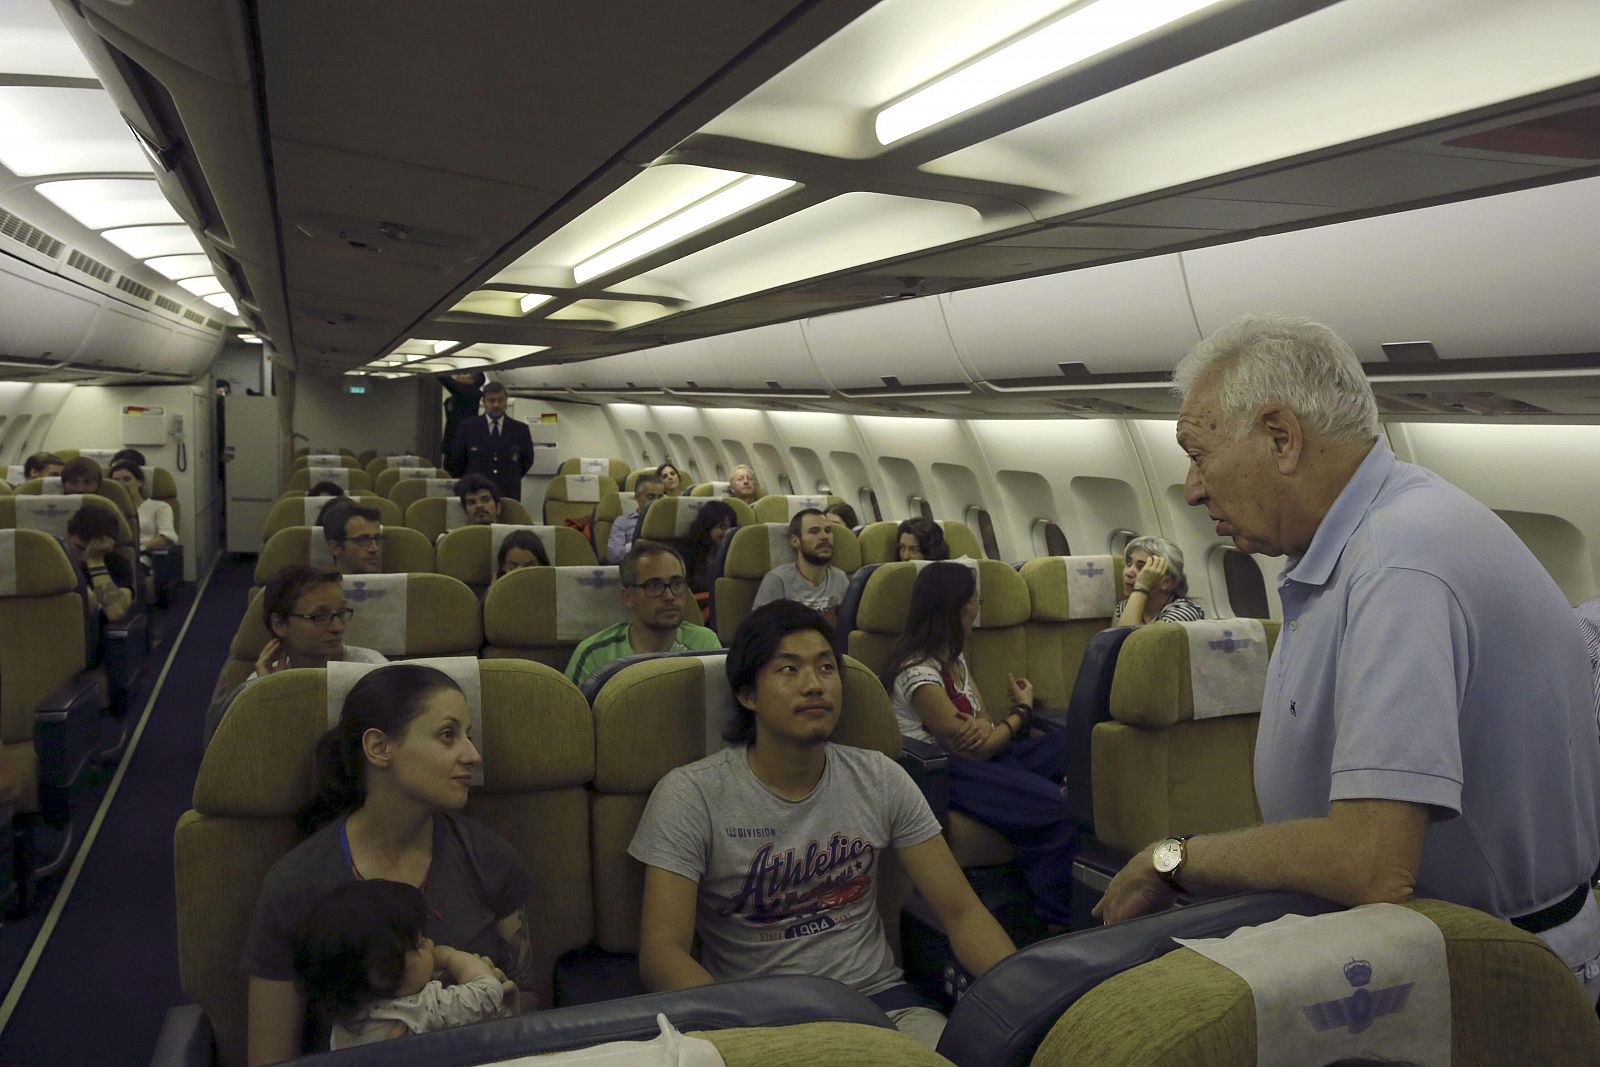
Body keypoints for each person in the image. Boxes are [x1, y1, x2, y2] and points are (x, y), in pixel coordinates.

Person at [1092, 313, 1600, 1006]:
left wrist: (1173, 856)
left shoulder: (1399, 565)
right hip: (1438, 955)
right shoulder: (1357, 546)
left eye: (1198, 452)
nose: (1192, 487)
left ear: (1281, 436)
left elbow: (1371, 861)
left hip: (1497, 982)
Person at [628, 601, 1016, 1048]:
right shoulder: (691, 795)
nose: (814, 685)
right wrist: (742, 1033)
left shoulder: (880, 778)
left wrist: (1021, 999)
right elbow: (662, 953)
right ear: (747, 694)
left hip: (882, 1005)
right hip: (759, 1021)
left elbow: (961, 912)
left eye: (826, 668)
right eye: (788, 670)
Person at [243, 665, 536, 1065]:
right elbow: (270, 1059)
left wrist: (510, 1007)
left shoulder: (490, 858)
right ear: (380, 748)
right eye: (448, 735)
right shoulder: (297, 884)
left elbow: (530, 1009)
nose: (472, 755)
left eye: (469, 736)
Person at [883, 563, 1075, 927]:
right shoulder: (917, 673)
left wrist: (995, 728)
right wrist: (1022, 710)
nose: (978, 606)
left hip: (981, 759)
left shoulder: (954, 660)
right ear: (955, 608)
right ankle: (1056, 918)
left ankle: (1041, 800)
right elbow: (977, 748)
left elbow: (985, 724)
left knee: (1069, 744)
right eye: (975, 600)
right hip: (945, 772)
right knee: (1053, 807)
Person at [291, 880, 513, 1049]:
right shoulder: (417, 1010)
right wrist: (452, 957)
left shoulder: (347, 1021)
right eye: (419, 943)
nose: (431, 944)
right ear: (381, 974)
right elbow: (487, 990)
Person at [565, 541, 719, 688]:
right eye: (654, 586)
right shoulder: (595, 654)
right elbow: (572, 714)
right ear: (628, 597)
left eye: (677, 584)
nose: (669, 596)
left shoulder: (705, 643)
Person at [246, 566, 387, 682]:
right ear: (279, 624)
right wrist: (267, 694)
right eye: (319, 616)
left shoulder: (373, 669)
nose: (338, 627)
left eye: (341, 613)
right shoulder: (262, 680)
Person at [751, 509, 849, 626]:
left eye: (828, 531)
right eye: (814, 531)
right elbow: (759, 629)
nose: (824, 537)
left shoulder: (840, 578)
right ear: (795, 541)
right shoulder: (777, 580)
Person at [448, 381, 533, 501]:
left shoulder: (520, 429)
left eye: (500, 400)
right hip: (476, 493)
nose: (496, 405)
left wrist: (510, 477)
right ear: (484, 402)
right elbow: (457, 461)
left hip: (508, 493)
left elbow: (527, 461)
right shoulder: (468, 428)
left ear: (506, 401)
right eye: (491, 400)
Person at [1114, 535, 1205, 625]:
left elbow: (1134, 639)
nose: (1128, 573)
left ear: (1166, 582)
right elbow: (1114, 639)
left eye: (1142, 567)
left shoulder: (1184, 611)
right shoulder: (1123, 607)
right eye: (1129, 563)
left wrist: (1141, 587)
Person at [66, 506, 132, 623]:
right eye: (80, 548)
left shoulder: (117, 563)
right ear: (68, 536)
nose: (83, 557)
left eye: (90, 551)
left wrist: (95, 560)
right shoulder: (54, 561)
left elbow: (115, 612)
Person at [109, 460, 178, 557]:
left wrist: (140, 548)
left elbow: (166, 537)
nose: (122, 484)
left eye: (127, 479)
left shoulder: (160, 507)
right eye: (116, 480)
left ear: (140, 482)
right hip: (113, 555)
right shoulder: (109, 508)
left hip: (143, 556)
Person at [605, 473, 665, 565]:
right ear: (637, 497)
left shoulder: (669, 521)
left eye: (660, 497)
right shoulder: (623, 522)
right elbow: (614, 556)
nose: (656, 502)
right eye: (650, 497)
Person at [681, 500, 737, 597]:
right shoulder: (687, 551)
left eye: (731, 528)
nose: (728, 532)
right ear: (707, 528)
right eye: (722, 527)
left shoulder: (739, 552)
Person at [437, 371, 485, 476]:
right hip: (452, 445)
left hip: (462, 448)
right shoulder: (462, 393)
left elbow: (447, 380)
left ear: (472, 380)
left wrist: (438, 368)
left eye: (464, 373)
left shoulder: (471, 392)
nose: (459, 374)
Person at [321, 501, 384, 575]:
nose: (374, 549)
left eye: (377, 539)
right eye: (363, 540)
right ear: (335, 548)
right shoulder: (318, 586)